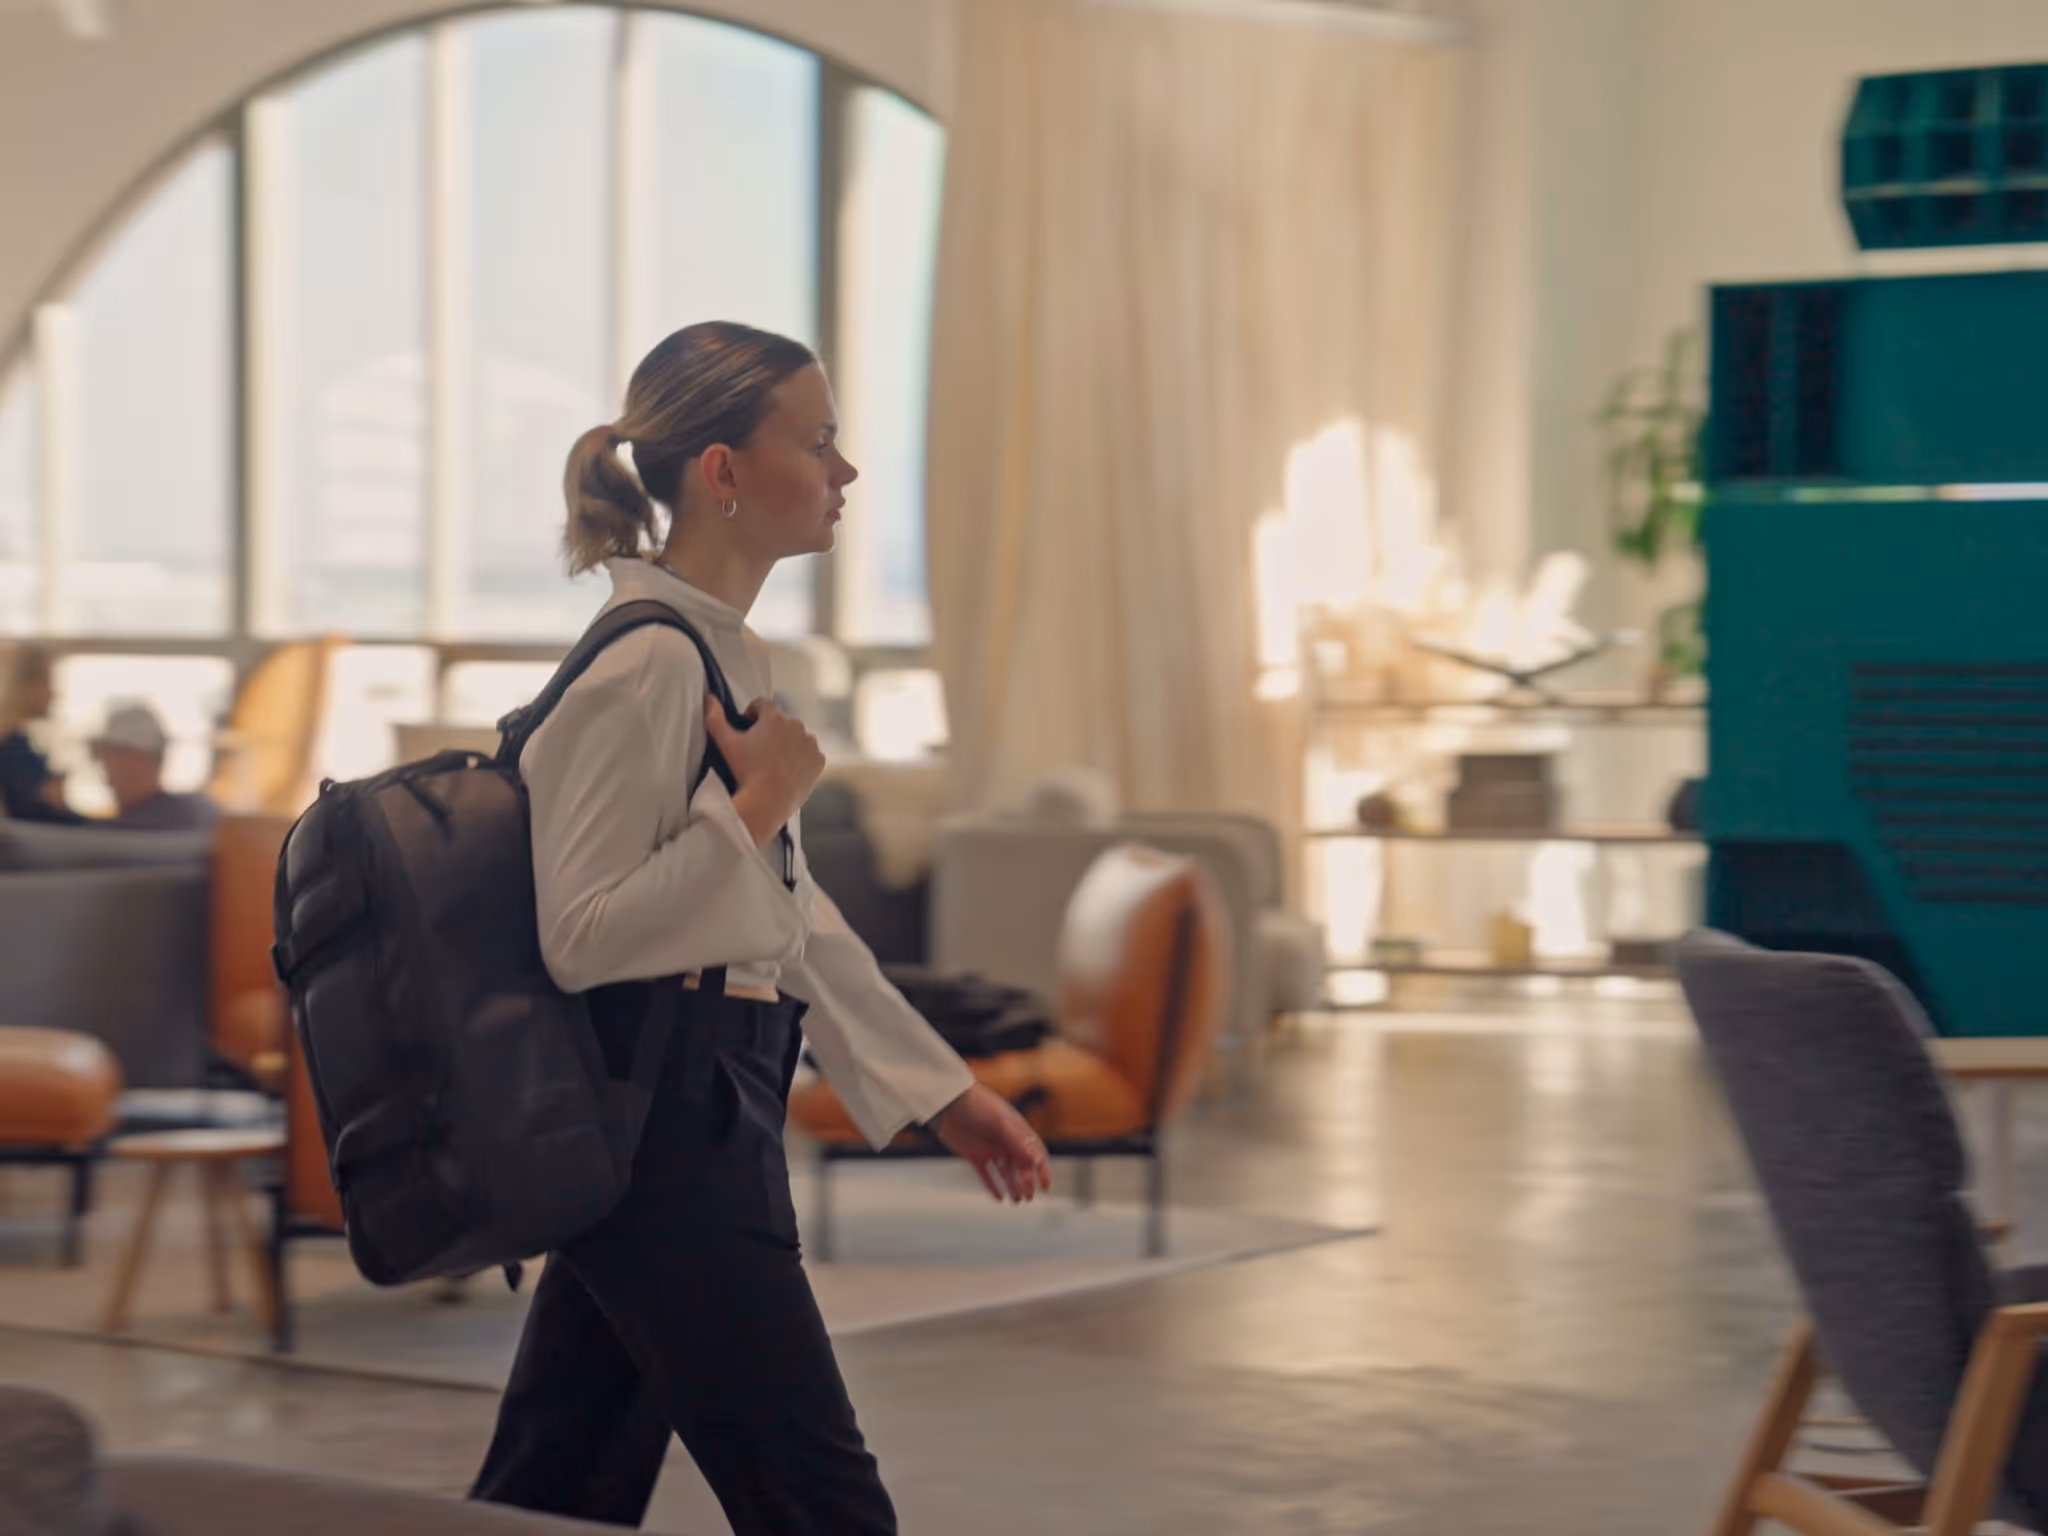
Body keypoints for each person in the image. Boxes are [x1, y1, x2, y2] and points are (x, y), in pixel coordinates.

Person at [469, 320, 1052, 1535]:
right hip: (664, 1145)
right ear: (722, 471)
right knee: (821, 1504)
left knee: (551, 1496)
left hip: (690, 1118)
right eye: (819, 442)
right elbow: (582, 932)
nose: (844, 475)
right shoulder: (645, 668)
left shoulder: (716, 655)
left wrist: (939, 1091)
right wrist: (760, 807)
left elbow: (783, 920)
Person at [90, 702, 220, 833]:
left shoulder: (187, 817)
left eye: (112, 753)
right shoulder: (195, 812)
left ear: (140, 758)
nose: (103, 764)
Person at [0, 643, 85, 824]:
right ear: (23, 686)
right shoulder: (12, 751)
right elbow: (39, 818)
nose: (54, 693)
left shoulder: (22, 744)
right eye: (47, 682)